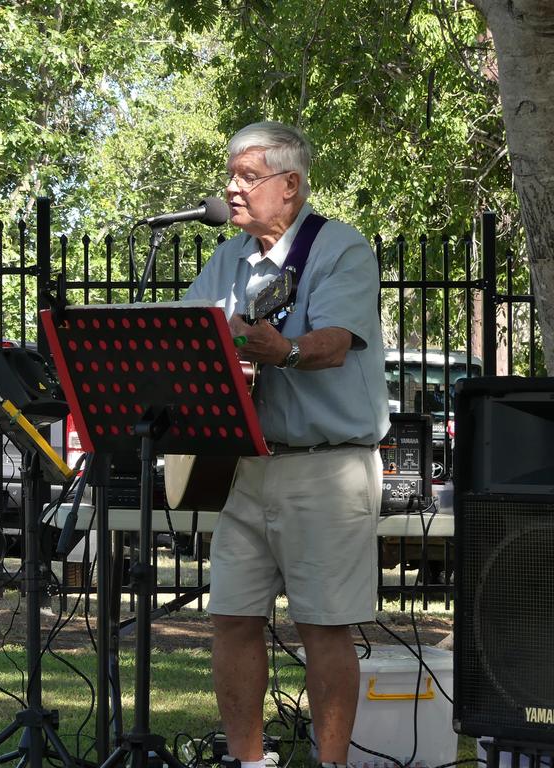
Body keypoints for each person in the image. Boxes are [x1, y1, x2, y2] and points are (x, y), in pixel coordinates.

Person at [183, 121, 389, 768]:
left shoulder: (340, 250)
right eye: (231, 176)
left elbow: (334, 342)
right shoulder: (227, 259)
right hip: (245, 467)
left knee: (324, 627)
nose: (231, 189)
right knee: (233, 619)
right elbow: (192, 334)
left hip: (326, 470)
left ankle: (331, 765)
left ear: (290, 186)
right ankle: (250, 764)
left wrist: (287, 351)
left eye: (247, 177)